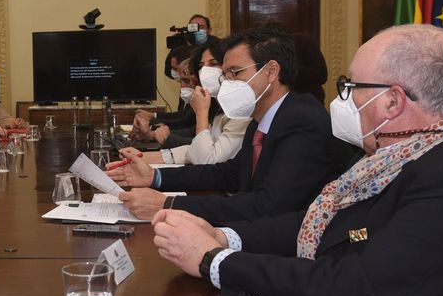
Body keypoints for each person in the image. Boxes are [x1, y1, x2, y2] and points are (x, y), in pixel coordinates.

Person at [151, 24, 443, 296]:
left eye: (351, 88)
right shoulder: (400, 157)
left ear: (392, 101)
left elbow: (355, 287)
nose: (343, 102)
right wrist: (225, 237)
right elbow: (319, 224)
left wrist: (215, 261)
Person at [108, 27, 352, 222]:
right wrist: (155, 177)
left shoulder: (303, 120)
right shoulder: (263, 119)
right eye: (225, 75)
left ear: (271, 71)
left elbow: (267, 206)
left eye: (235, 73)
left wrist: (166, 204)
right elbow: (227, 174)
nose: (227, 83)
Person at [145, 36, 250, 166]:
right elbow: (196, 149)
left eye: (213, 63)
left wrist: (201, 112)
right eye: (201, 66)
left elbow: (206, 159)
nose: (205, 70)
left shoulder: (241, 111)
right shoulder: (220, 107)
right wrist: (147, 157)